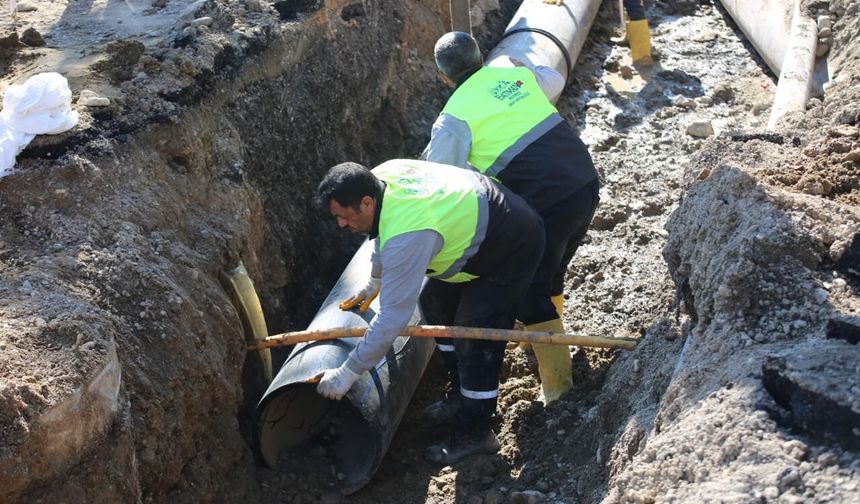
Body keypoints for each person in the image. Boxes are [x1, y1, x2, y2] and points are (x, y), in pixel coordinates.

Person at [315, 159, 544, 465]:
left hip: (511, 245)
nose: (341, 225)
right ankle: (460, 393)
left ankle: (477, 432)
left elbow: (393, 318)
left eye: (343, 217)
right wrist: (375, 280)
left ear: (366, 202)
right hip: (485, 218)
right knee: (435, 303)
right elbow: (384, 231)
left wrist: (348, 372)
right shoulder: (381, 177)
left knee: (474, 334)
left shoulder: (409, 234)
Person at [423, 31, 600, 406]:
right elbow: (553, 79)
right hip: (584, 180)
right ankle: (546, 336)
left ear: (442, 76)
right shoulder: (510, 72)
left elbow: (436, 180)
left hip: (547, 199)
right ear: (482, 55)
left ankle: (558, 388)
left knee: (530, 289)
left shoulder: (453, 117)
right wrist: (520, 67)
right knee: (550, 271)